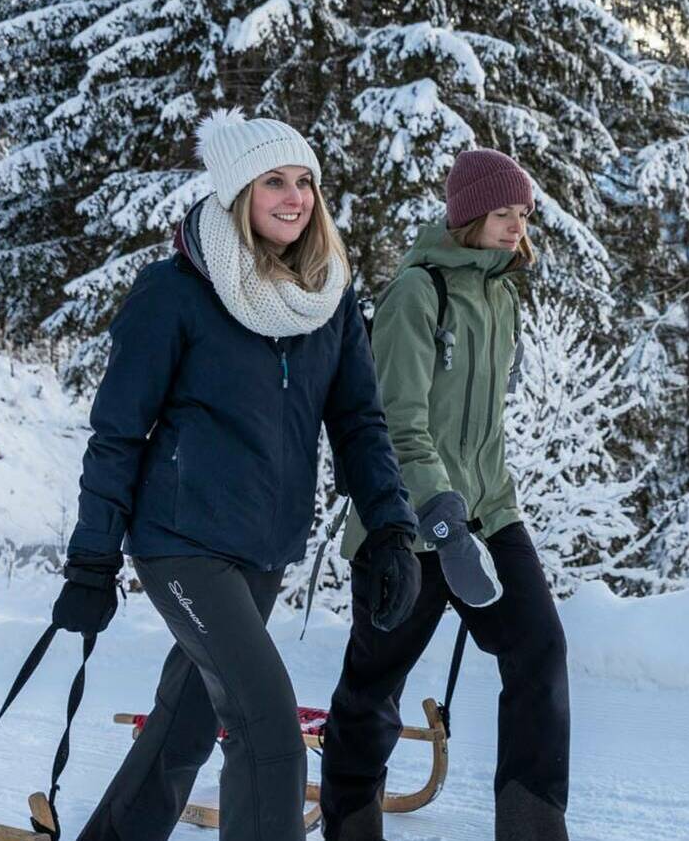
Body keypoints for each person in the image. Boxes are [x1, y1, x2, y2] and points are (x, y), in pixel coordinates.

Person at [53, 112, 424, 841]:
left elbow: (359, 424)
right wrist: (93, 558)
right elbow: (118, 433)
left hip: (265, 547)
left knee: (183, 729)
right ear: (236, 194)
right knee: (270, 737)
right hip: (182, 542)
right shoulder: (175, 292)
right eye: (274, 183)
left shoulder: (328, 297)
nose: (295, 198)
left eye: (306, 183)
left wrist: (389, 525)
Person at [318, 148, 572, 841]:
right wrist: (440, 514)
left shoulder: (501, 295)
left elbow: (483, 431)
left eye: (522, 213)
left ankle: (533, 830)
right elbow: (397, 424)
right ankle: (350, 823)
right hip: (406, 520)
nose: (516, 226)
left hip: (489, 513)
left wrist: (493, 512)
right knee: (376, 684)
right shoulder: (416, 293)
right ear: (466, 217)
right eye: (501, 213)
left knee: (539, 649)